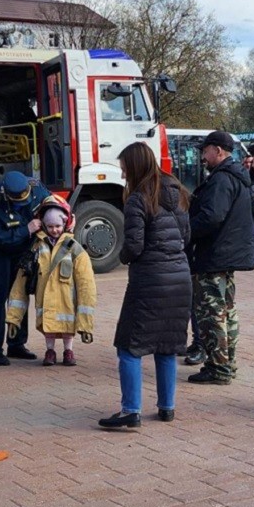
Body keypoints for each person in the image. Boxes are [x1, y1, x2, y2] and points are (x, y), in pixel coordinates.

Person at [99, 142, 192, 429]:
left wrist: (123, 257)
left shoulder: (138, 199)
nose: (123, 172)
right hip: (179, 278)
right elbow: (186, 237)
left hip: (149, 281)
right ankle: (167, 407)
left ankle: (131, 410)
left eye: (125, 167)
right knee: (166, 345)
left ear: (135, 166)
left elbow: (135, 246)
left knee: (128, 347)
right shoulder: (177, 193)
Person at [187, 130, 254, 385]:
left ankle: (218, 368)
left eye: (205, 151)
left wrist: (187, 232)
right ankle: (227, 362)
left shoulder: (221, 179)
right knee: (226, 311)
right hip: (228, 255)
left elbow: (212, 216)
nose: (203, 156)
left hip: (215, 255)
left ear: (218, 151)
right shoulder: (236, 176)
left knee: (212, 313)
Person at [5, 195, 97, 366]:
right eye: (50, 226)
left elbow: (87, 286)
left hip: (66, 303)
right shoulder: (36, 249)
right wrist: (13, 318)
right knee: (49, 330)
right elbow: (20, 285)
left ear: (65, 224)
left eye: (58, 226)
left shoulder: (75, 249)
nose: (54, 230)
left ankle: (68, 351)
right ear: (43, 225)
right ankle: (50, 351)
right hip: (46, 304)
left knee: (67, 330)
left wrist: (86, 325)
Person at [0, 170, 51, 366]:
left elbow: (53, 206)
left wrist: (67, 216)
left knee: (20, 293)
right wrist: (26, 230)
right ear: (5, 193)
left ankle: (17, 344)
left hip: (22, 247)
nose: (21, 203)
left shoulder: (37, 188)